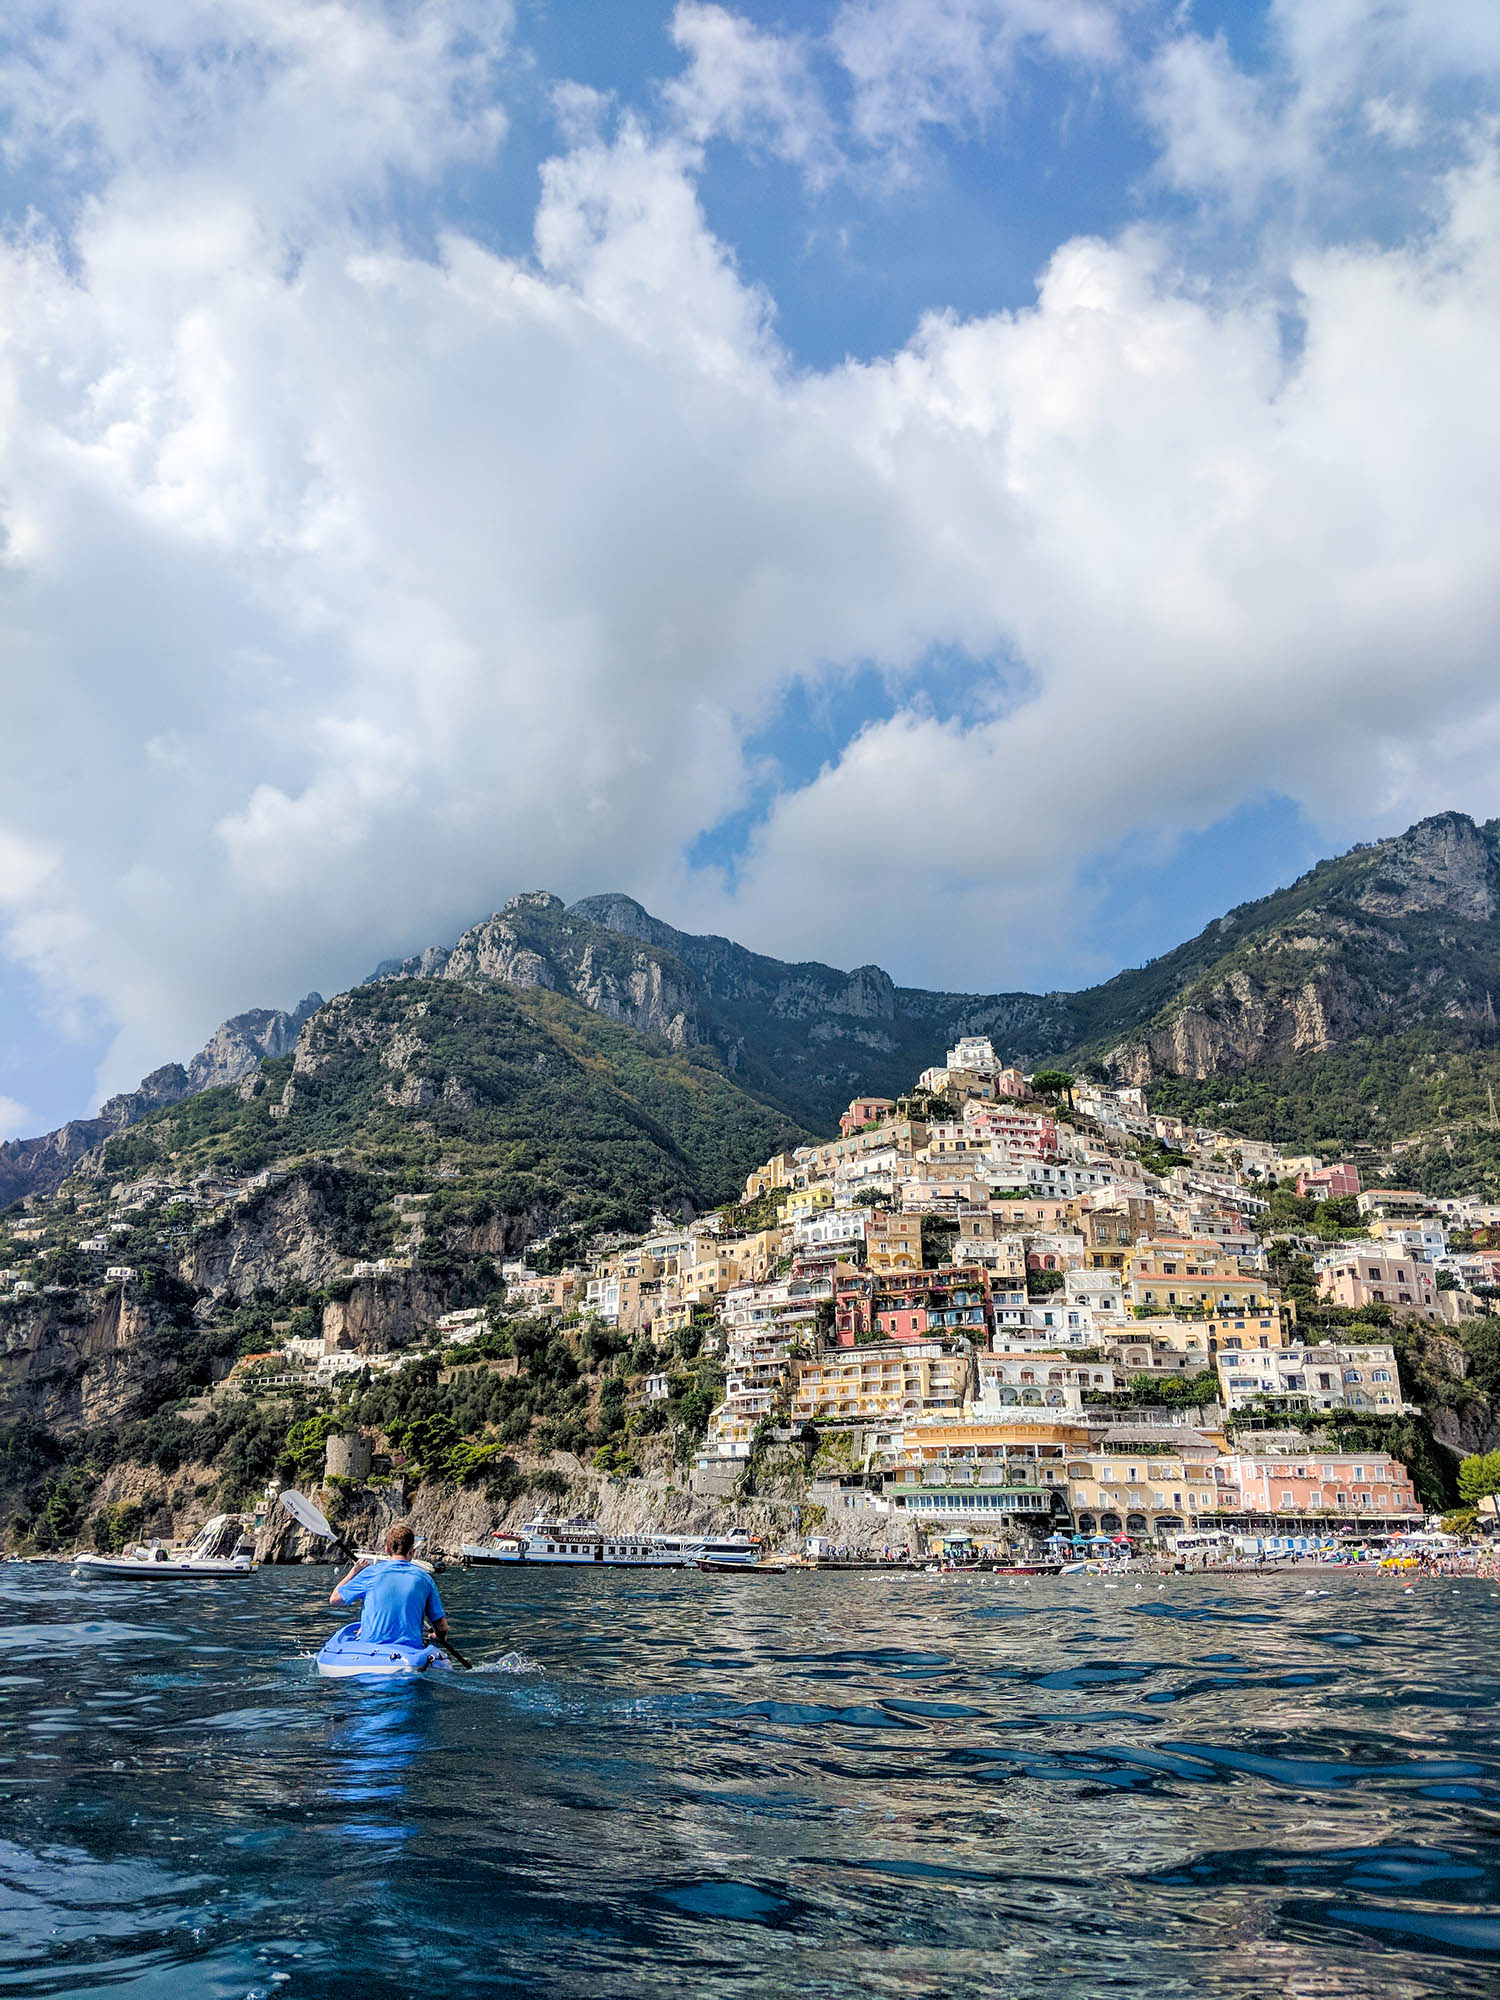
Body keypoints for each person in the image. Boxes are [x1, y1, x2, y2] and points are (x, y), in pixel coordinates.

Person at [329, 1523, 448, 1650]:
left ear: (386, 1549)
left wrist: (353, 1572)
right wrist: (439, 1636)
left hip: (371, 1649)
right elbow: (441, 1626)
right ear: (412, 1552)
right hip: (410, 1651)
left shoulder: (370, 1573)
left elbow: (334, 1599)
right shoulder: (425, 1579)